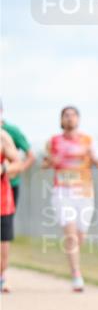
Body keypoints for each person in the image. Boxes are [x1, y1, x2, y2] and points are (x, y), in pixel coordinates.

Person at [42, 106, 98, 292]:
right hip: (63, 193)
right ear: (61, 120)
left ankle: (74, 264)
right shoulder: (53, 141)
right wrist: (50, 162)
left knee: (80, 237)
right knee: (70, 235)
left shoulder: (88, 141)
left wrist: (95, 160)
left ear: (78, 119)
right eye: (66, 115)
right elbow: (45, 164)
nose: (69, 119)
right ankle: (76, 275)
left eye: (72, 115)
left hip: (84, 193)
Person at [0, 100, 35, 293]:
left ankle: (2, 275)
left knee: (3, 241)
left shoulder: (4, 136)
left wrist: (4, 168)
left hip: (3, 196)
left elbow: (19, 163)